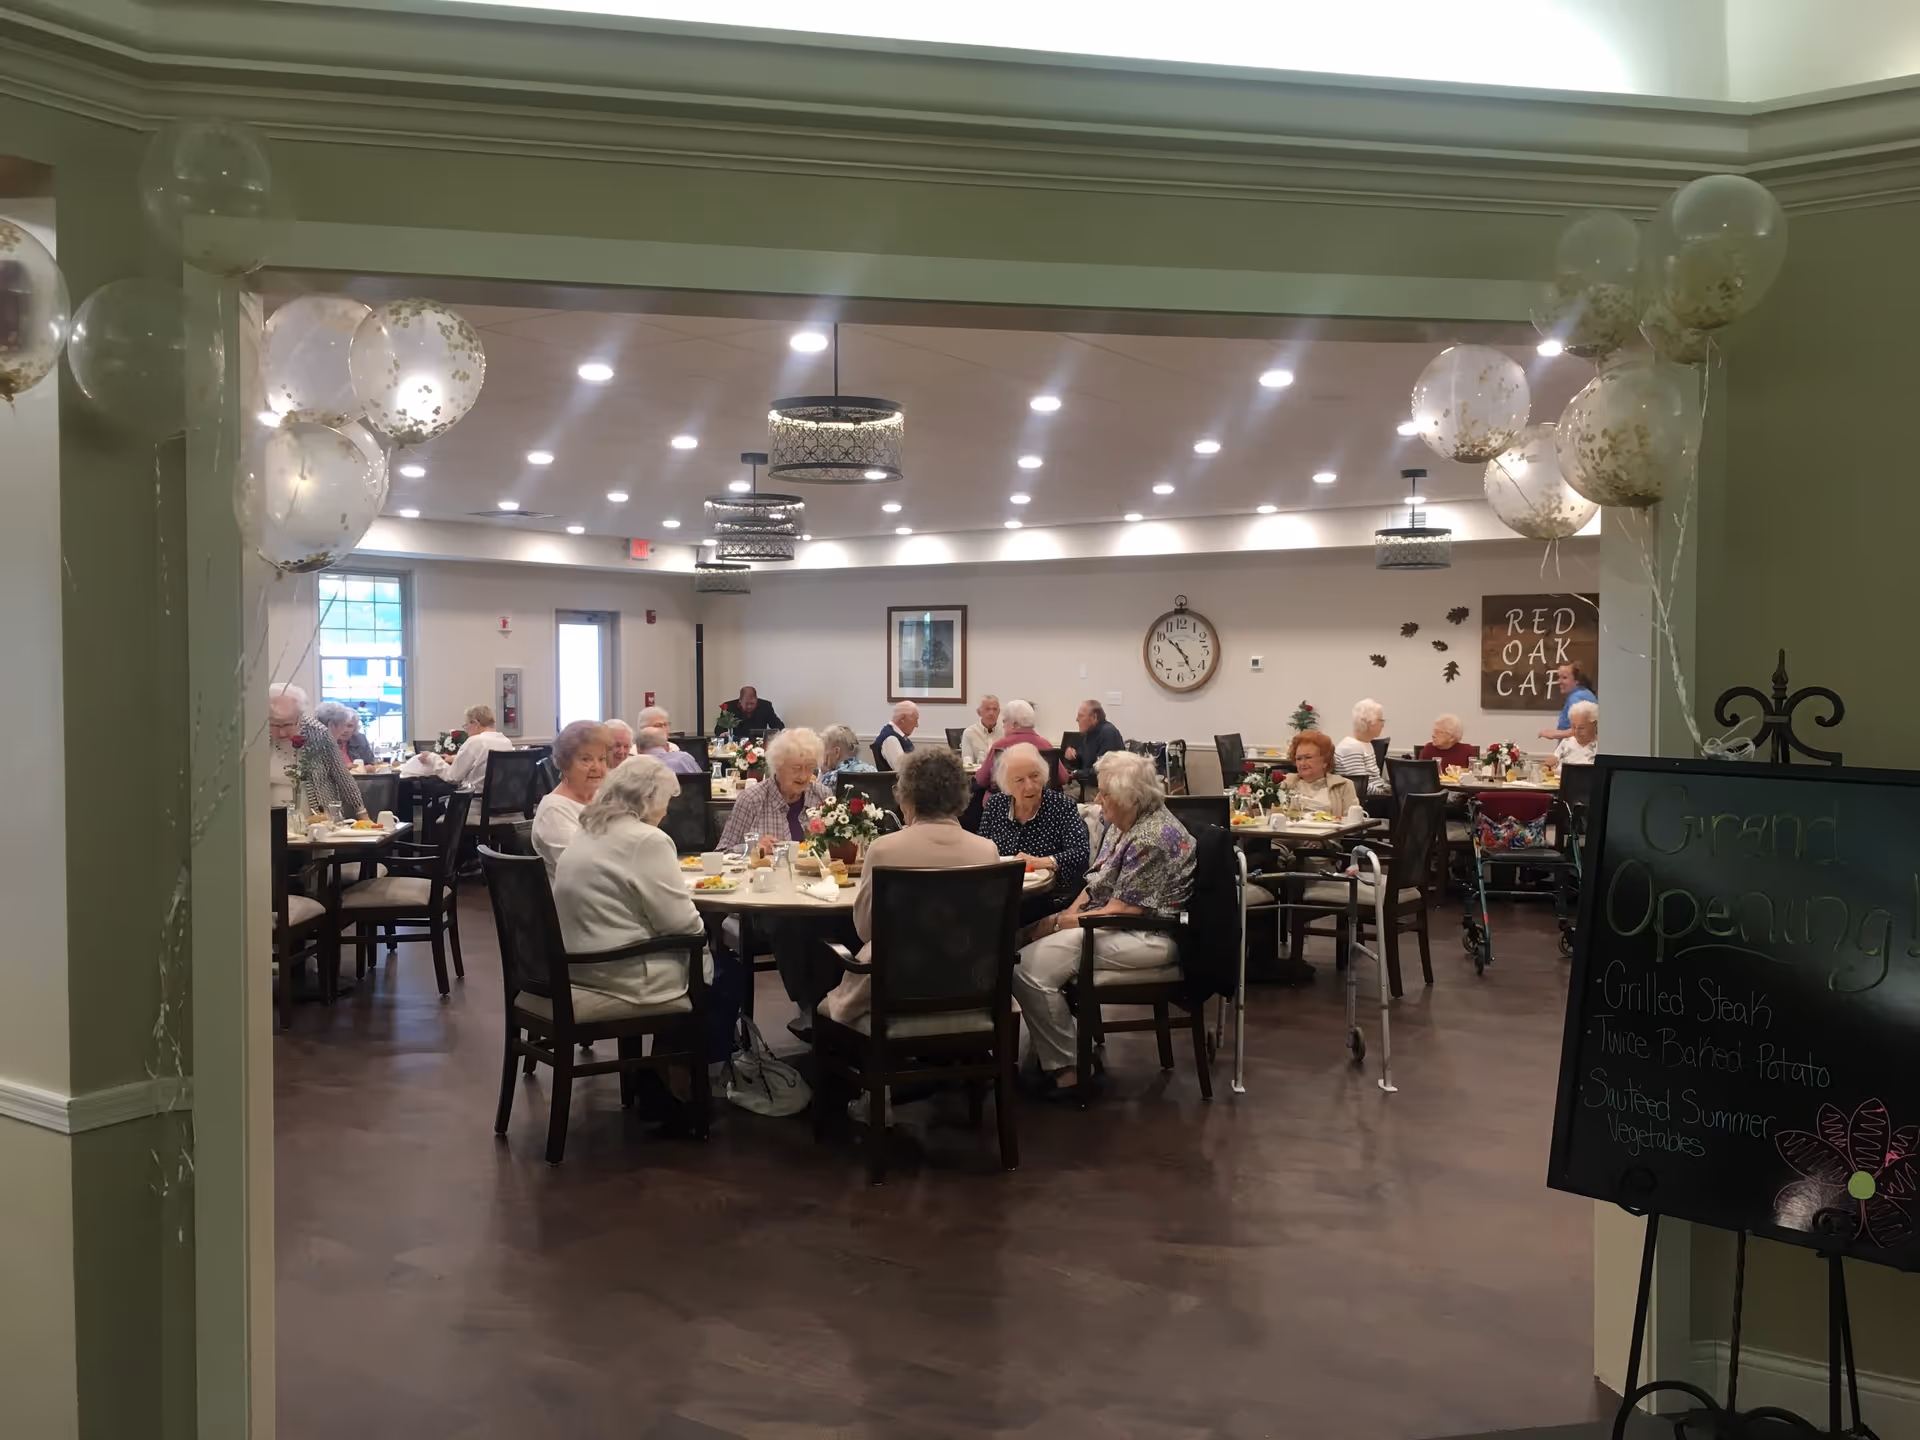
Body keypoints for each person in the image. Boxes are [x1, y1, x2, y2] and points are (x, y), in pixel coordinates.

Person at [1012, 751, 1194, 1099]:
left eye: (1104, 793)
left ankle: (1069, 1070)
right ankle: (1055, 1052)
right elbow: (1095, 885)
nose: (1097, 799)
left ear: (1130, 797)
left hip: (1148, 935)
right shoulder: (1124, 823)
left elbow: (1120, 911)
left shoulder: (1152, 837)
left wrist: (1056, 925)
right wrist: (1059, 919)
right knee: (1023, 951)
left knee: (1027, 969)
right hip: (1114, 924)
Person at [552, 757, 744, 1071]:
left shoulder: (589, 828)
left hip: (575, 962)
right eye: (666, 801)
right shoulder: (646, 839)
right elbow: (682, 925)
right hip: (620, 971)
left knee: (711, 966)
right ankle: (688, 1078)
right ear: (647, 799)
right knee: (728, 974)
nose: (667, 811)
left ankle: (663, 1073)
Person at [820, 748, 1001, 1030]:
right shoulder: (987, 850)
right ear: (960, 796)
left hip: (895, 988)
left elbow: (866, 931)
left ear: (907, 795)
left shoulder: (885, 849)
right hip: (968, 987)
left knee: (828, 997)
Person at [980, 742, 1090, 923]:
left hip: (1049, 898)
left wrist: (1041, 862)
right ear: (1006, 784)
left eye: (1034, 776)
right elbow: (982, 849)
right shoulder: (996, 805)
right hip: (1001, 895)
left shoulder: (1060, 805)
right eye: (1019, 780)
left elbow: (1080, 852)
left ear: (1044, 775)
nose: (1030, 786)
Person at [718, 727, 832, 854]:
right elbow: (722, 852)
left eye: (810, 768)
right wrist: (753, 848)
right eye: (796, 768)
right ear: (777, 766)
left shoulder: (822, 795)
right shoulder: (752, 800)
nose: (803, 776)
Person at [269, 683, 367, 819]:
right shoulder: (259, 737)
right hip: (270, 821)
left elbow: (343, 776)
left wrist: (362, 813)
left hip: (319, 819)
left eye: (287, 724)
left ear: (300, 716)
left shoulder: (317, 732)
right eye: (274, 724)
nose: (281, 732)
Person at [530, 721, 611, 876]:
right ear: (565, 764)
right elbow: (581, 870)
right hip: (580, 895)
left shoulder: (602, 798)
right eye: (586, 760)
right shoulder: (554, 810)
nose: (596, 767)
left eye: (601, 759)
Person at [975, 698, 1067, 788]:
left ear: (1014, 725)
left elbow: (982, 779)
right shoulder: (1045, 744)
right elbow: (1063, 778)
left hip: (1004, 801)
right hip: (1041, 800)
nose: (1003, 726)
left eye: (1005, 722)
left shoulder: (1000, 745)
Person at [1281, 730, 1360, 817]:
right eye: (1299, 758)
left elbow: (1353, 822)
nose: (1302, 763)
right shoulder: (1285, 783)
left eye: (1308, 757)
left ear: (1325, 761)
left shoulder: (1344, 786)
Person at [446, 703, 515, 788]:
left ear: (475, 724)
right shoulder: (506, 742)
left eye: (466, 725)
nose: (466, 732)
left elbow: (453, 777)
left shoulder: (475, 741)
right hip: (500, 799)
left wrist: (433, 760)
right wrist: (455, 758)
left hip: (474, 799)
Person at [1334, 698, 1391, 799]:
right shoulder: (1351, 748)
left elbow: (1374, 780)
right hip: (1368, 801)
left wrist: (1388, 788)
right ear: (1369, 723)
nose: (1382, 725)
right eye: (1381, 721)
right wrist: (1386, 792)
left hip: (1376, 796)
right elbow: (1361, 787)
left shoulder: (1366, 744)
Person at [1063, 698, 1124, 784]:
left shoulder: (1108, 732)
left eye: (1081, 716)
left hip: (1103, 789)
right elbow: (1085, 763)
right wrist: (1071, 756)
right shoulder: (1088, 733)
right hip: (1087, 784)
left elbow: (1102, 770)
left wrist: (1076, 774)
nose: (1077, 719)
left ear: (1094, 718)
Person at [1539, 663, 1599, 741]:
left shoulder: (1577, 698)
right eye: (1559, 677)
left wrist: (1553, 734)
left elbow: (1580, 730)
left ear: (1577, 680)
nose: (1559, 681)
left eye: (1564, 677)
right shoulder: (1584, 693)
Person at [634, 725, 703, 775]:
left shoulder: (634, 768)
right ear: (667, 746)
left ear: (638, 749)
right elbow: (703, 783)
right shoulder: (685, 759)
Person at [715, 685, 783, 736]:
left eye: (752, 703)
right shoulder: (729, 707)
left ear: (756, 700)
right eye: (746, 704)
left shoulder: (765, 706)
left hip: (759, 745)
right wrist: (723, 734)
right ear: (740, 701)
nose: (749, 706)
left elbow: (778, 726)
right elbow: (718, 729)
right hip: (735, 745)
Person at [959, 694, 1004, 770]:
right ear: (979, 712)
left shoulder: (1005, 731)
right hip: (977, 777)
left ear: (999, 712)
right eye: (987, 709)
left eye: (995, 709)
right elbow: (967, 764)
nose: (991, 713)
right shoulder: (970, 733)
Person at [1553, 700, 1600, 766]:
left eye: (1581, 728)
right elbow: (1551, 764)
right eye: (1573, 726)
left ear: (1594, 724)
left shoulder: (1600, 747)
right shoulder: (1566, 743)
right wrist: (1547, 765)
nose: (1576, 732)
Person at [875, 700, 918, 769]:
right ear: (902, 719)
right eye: (915, 720)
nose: (916, 725)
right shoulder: (891, 739)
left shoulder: (898, 737)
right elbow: (903, 771)